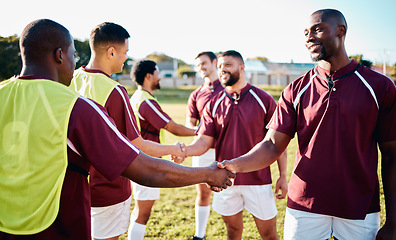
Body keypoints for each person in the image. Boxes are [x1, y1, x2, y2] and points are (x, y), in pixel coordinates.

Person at [0, 19, 234, 240]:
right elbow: (142, 165)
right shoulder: (76, 106)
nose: (75, 63)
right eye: (73, 54)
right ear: (60, 55)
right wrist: (206, 173)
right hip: (56, 224)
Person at [219, 9, 396, 240]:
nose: (309, 37)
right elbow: (272, 144)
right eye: (305, 33)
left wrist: (393, 223)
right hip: (304, 206)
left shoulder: (379, 87)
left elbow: (392, 155)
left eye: (317, 29)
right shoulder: (296, 89)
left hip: (359, 208)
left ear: (341, 31)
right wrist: (234, 165)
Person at [69, 22, 186, 240]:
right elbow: (137, 144)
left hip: (72, 188)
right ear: (111, 52)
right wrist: (173, 148)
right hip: (107, 189)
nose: (125, 58)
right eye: (125, 52)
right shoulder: (115, 91)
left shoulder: (71, 79)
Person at [183, 50, 288, 240]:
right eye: (221, 66)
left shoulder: (264, 99)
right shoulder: (213, 103)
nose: (223, 69)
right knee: (232, 232)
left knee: (269, 234)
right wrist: (184, 151)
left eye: (228, 65)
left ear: (242, 67)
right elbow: (203, 142)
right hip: (225, 181)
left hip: (258, 180)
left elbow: (277, 142)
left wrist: (282, 175)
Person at [129, 59, 196, 239]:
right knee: (143, 213)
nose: (160, 78)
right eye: (158, 73)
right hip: (147, 163)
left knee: (139, 210)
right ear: (149, 76)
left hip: (140, 160)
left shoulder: (135, 98)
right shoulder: (146, 101)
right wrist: (199, 132)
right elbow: (172, 127)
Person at [185, 51, 224, 240]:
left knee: (230, 194)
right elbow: (190, 125)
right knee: (202, 193)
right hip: (202, 151)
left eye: (204, 63)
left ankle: (232, 232)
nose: (201, 67)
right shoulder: (196, 94)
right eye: (198, 65)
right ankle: (199, 235)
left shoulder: (228, 88)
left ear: (215, 62)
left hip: (226, 150)